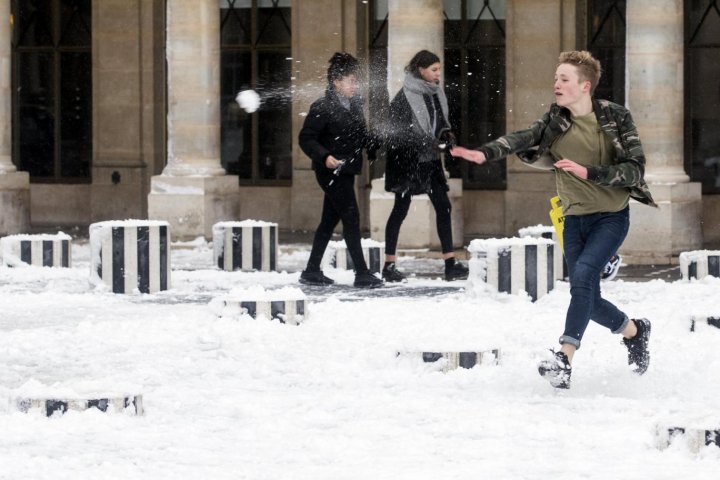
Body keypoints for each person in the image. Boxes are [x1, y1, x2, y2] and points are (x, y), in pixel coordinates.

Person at [451, 50, 655, 388]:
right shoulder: (555, 120)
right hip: (573, 218)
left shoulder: (615, 117)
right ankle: (635, 330)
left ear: (584, 86)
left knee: (585, 276)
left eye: (564, 78)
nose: (556, 84)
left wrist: (588, 171)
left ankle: (564, 356)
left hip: (611, 217)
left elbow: (635, 169)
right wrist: (485, 152)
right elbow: (523, 138)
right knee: (587, 296)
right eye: (555, 77)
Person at [382, 50, 469, 283]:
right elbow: (395, 135)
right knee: (400, 209)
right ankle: (389, 265)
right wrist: (426, 141)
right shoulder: (402, 98)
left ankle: (450, 264)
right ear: (421, 70)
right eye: (434, 70)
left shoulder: (435, 93)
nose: (438, 73)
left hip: (430, 161)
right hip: (407, 162)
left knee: (443, 206)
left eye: (439, 69)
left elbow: (439, 123)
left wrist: (446, 134)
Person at [298, 52, 383, 289]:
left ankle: (312, 271)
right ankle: (362, 273)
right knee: (351, 217)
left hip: (347, 170)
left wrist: (372, 143)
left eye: (356, 80)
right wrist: (324, 156)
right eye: (352, 81)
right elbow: (306, 138)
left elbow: (359, 134)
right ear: (336, 82)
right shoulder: (322, 107)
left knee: (329, 221)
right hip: (330, 172)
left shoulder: (355, 105)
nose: (356, 85)